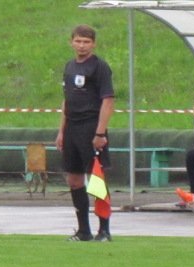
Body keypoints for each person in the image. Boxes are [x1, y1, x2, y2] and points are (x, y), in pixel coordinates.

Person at [56, 24, 115, 242]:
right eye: (78, 41)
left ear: (93, 44)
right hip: (72, 127)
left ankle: (104, 230)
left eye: (86, 42)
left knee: (96, 178)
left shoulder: (99, 67)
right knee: (74, 179)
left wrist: (100, 133)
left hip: (90, 126)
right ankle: (83, 231)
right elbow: (66, 101)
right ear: (71, 42)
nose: (82, 45)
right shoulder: (70, 66)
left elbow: (108, 100)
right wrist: (61, 131)